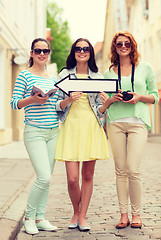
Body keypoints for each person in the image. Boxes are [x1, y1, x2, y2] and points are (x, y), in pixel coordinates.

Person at [103, 31, 159, 229]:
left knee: (133, 169)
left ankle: (136, 214)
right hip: (116, 122)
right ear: (115, 47)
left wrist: (139, 97)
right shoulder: (109, 72)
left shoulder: (145, 68)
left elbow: (155, 96)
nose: (123, 46)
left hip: (138, 122)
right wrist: (112, 98)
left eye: (127, 43)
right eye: (119, 44)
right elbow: (105, 102)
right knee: (120, 170)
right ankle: (123, 215)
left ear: (133, 45)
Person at [55, 38, 110, 231]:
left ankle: (83, 216)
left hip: (91, 125)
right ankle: (75, 211)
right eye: (78, 48)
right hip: (71, 126)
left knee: (87, 175)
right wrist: (68, 99)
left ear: (90, 53)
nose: (82, 51)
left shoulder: (98, 76)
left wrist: (107, 103)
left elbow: (101, 110)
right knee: (72, 178)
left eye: (86, 48)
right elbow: (57, 105)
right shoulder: (64, 74)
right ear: (73, 52)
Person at [10, 38, 59, 235]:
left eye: (45, 51)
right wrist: (33, 99)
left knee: (47, 179)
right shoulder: (24, 75)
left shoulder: (52, 78)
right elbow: (14, 103)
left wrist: (67, 101)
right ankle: (28, 218)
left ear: (49, 54)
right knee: (43, 176)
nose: (42, 54)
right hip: (34, 131)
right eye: (38, 51)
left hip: (54, 131)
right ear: (31, 53)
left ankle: (40, 217)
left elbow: (55, 106)